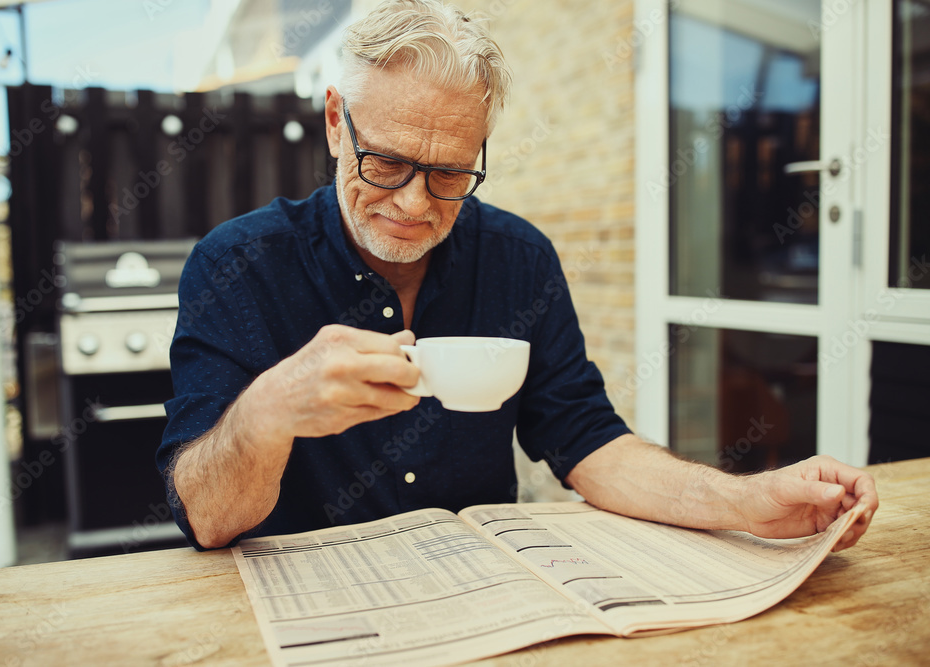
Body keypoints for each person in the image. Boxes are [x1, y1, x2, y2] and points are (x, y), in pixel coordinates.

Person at [158, 0, 878, 551]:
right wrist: (271, 408)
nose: (413, 203)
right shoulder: (237, 264)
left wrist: (752, 503)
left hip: (481, 592)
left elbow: (590, 441)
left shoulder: (518, 257)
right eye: (386, 162)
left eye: (449, 173)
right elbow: (206, 516)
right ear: (335, 121)